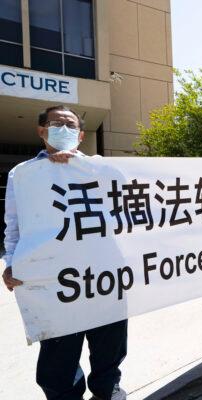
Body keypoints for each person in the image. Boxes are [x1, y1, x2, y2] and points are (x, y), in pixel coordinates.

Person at [2, 105, 128, 400]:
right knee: (58, 357)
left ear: (81, 135)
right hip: (56, 280)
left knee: (109, 345)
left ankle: (106, 389)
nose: (65, 129)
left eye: (71, 126)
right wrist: (11, 264)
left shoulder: (103, 170)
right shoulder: (23, 176)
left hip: (103, 277)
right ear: (42, 131)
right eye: (57, 123)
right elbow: (14, 227)